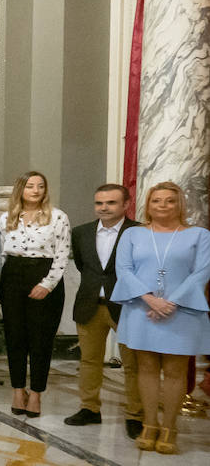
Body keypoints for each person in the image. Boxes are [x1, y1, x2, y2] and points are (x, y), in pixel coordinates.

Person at [111, 180, 210, 455]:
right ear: (148, 205)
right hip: (143, 310)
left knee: (177, 371)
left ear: (180, 204)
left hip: (183, 310)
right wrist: (150, 299)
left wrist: (171, 302)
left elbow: (202, 272)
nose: (163, 205)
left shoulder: (199, 235)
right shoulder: (133, 235)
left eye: (170, 200)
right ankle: (149, 425)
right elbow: (125, 270)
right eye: (157, 200)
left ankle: (169, 428)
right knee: (147, 369)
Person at [65, 183, 142, 436]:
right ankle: (90, 408)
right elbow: (84, 267)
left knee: (133, 364)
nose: (104, 208)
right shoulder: (81, 232)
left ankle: (134, 414)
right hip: (90, 305)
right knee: (89, 360)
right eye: (99, 203)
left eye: (111, 203)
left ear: (126, 204)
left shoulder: (140, 232)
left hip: (127, 307)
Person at [0, 171, 71, 418]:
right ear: (21, 189)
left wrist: (47, 284)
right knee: (15, 337)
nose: (36, 190)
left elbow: (62, 255)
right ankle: (18, 390)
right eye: (30, 186)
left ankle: (36, 393)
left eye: (40, 186)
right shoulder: (7, 218)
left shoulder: (58, 217)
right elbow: (1, 255)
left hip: (44, 274)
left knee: (41, 340)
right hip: (12, 276)